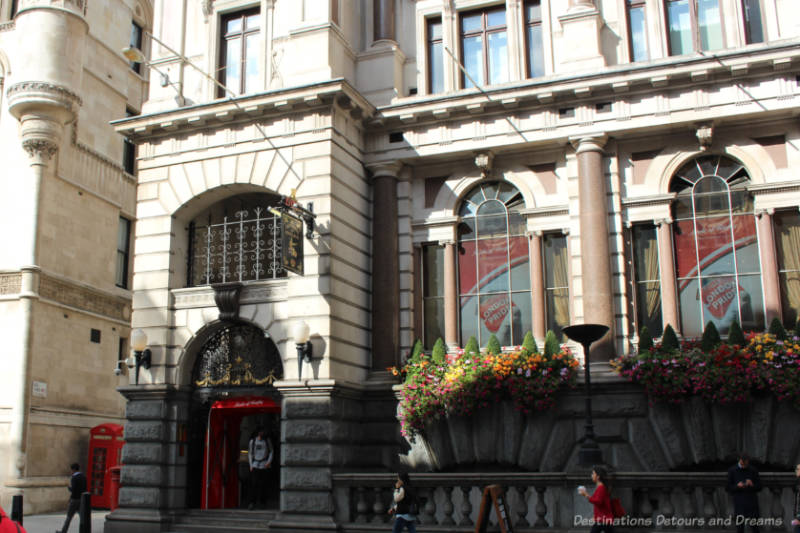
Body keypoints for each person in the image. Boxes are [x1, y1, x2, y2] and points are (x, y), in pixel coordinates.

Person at [726, 453, 762, 533]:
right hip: (739, 502)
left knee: (755, 528)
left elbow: (759, 487)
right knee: (740, 528)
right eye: (742, 464)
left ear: (748, 461)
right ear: (740, 460)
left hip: (751, 502)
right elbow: (728, 487)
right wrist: (737, 486)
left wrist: (752, 485)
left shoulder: (753, 470)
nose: (744, 466)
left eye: (746, 464)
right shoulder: (732, 470)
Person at [578, 465, 614, 533]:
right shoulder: (600, 487)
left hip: (604, 520)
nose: (591, 475)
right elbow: (599, 503)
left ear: (598, 476)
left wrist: (586, 495)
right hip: (602, 519)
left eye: (593, 473)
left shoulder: (601, 488)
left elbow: (598, 502)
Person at [56, 463, 87, 533]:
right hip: (82, 499)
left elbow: (73, 489)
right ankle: (84, 530)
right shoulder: (83, 477)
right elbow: (85, 488)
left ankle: (64, 531)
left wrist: (69, 488)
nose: (71, 472)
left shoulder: (74, 478)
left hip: (74, 499)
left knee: (69, 517)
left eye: (71, 470)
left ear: (73, 469)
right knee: (82, 517)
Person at [248, 427, 273, 510]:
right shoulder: (253, 441)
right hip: (255, 464)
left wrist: (268, 462)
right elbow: (250, 453)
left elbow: (271, 451)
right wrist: (251, 465)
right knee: (254, 484)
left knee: (263, 485)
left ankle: (263, 502)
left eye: (263, 432)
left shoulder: (267, 441)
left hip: (264, 464)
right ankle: (252, 502)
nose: (262, 433)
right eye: (261, 432)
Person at [791, 463, 800, 533]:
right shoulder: (798, 482)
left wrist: (798, 517)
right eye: (796, 469)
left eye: (798, 469)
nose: (796, 470)